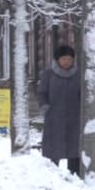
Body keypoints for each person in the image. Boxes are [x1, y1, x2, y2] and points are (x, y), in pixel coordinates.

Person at [36, 45, 81, 175]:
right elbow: (41, 93)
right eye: (63, 59)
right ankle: (52, 179)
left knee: (74, 151)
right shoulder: (48, 74)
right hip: (54, 119)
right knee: (52, 152)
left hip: (74, 120)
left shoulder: (78, 75)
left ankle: (75, 177)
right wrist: (45, 107)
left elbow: (83, 95)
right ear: (57, 60)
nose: (66, 61)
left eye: (69, 59)